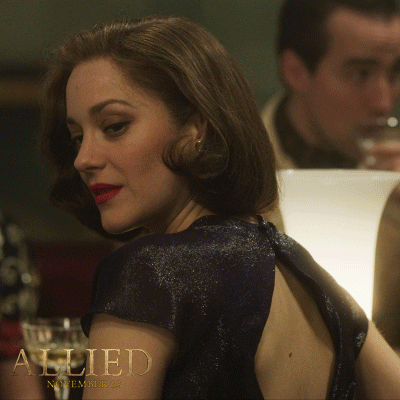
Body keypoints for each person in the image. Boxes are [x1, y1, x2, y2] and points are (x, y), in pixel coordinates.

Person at [40, 16, 400, 399]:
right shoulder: (305, 268)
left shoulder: (150, 274)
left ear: (196, 127)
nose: (84, 159)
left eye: (114, 126)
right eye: (77, 137)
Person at [262, 0, 400, 351]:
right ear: (296, 71)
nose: (383, 101)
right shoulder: (228, 175)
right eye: (360, 74)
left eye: (395, 73)